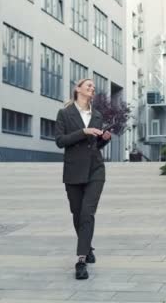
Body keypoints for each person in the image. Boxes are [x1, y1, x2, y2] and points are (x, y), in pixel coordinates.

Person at [54, 78, 112, 280]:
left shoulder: (97, 114)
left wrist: (103, 139)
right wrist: (83, 131)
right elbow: (60, 141)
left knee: (87, 213)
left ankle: (80, 260)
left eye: (94, 87)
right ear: (78, 89)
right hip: (73, 171)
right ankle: (87, 248)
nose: (92, 89)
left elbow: (94, 145)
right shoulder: (64, 114)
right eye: (89, 86)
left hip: (95, 169)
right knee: (77, 214)